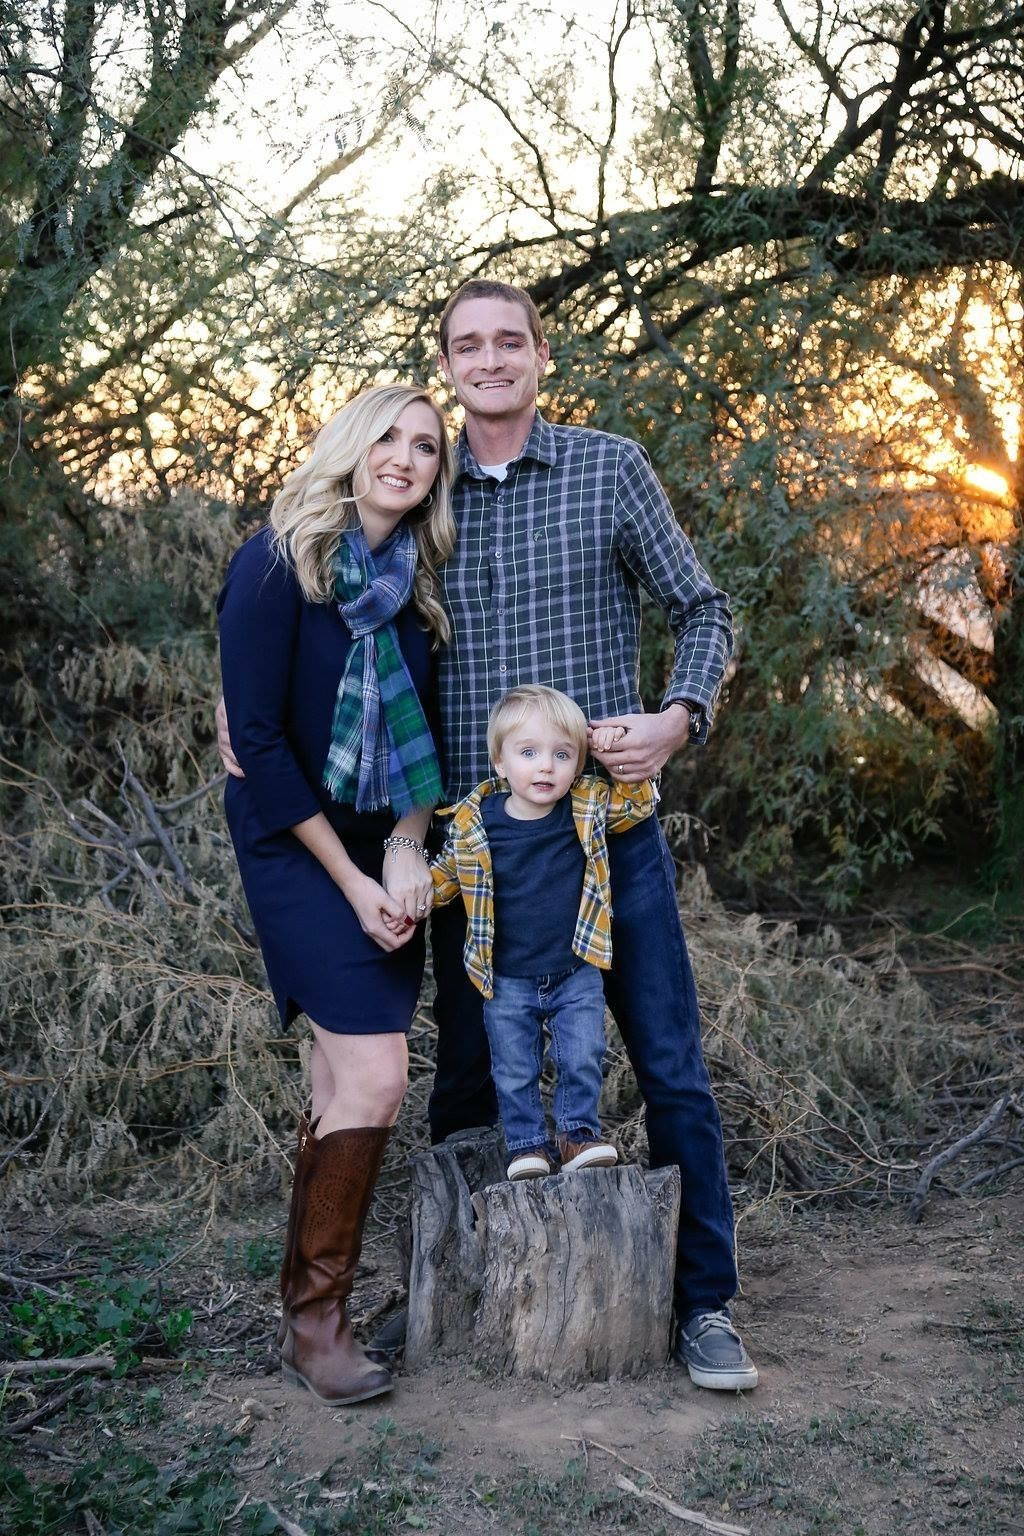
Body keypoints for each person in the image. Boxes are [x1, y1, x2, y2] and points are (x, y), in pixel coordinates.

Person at [219, 278, 758, 1391]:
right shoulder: (426, 493)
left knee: (668, 1066)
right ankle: (453, 1289)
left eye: (509, 340)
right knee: (467, 1079)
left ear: (541, 354)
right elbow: (308, 595)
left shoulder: (609, 468)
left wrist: (677, 714)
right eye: (467, 345)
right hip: (476, 859)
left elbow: (705, 607)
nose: (490, 359)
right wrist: (225, 704)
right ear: (447, 365)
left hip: (611, 835)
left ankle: (705, 1304)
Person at [217, 382, 455, 1407]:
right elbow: (256, 742)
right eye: (390, 437)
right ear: (351, 444)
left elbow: (432, 744)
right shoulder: (279, 562)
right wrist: (355, 881)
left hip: (383, 846)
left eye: (428, 447)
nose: (405, 457)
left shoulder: (422, 586)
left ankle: (300, 1317)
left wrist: (407, 847)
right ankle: (320, 1322)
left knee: (336, 1086)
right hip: (294, 841)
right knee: (376, 1080)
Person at [431, 684, 656, 1180]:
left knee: (583, 1055)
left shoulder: (586, 807)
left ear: (577, 764)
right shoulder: (475, 823)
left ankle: (577, 1134)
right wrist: (413, 897)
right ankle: (526, 1144)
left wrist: (612, 753)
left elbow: (636, 805)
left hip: (575, 968)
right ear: (500, 762)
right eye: (528, 753)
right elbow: (446, 877)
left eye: (561, 755)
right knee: (514, 1069)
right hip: (507, 977)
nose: (545, 767)